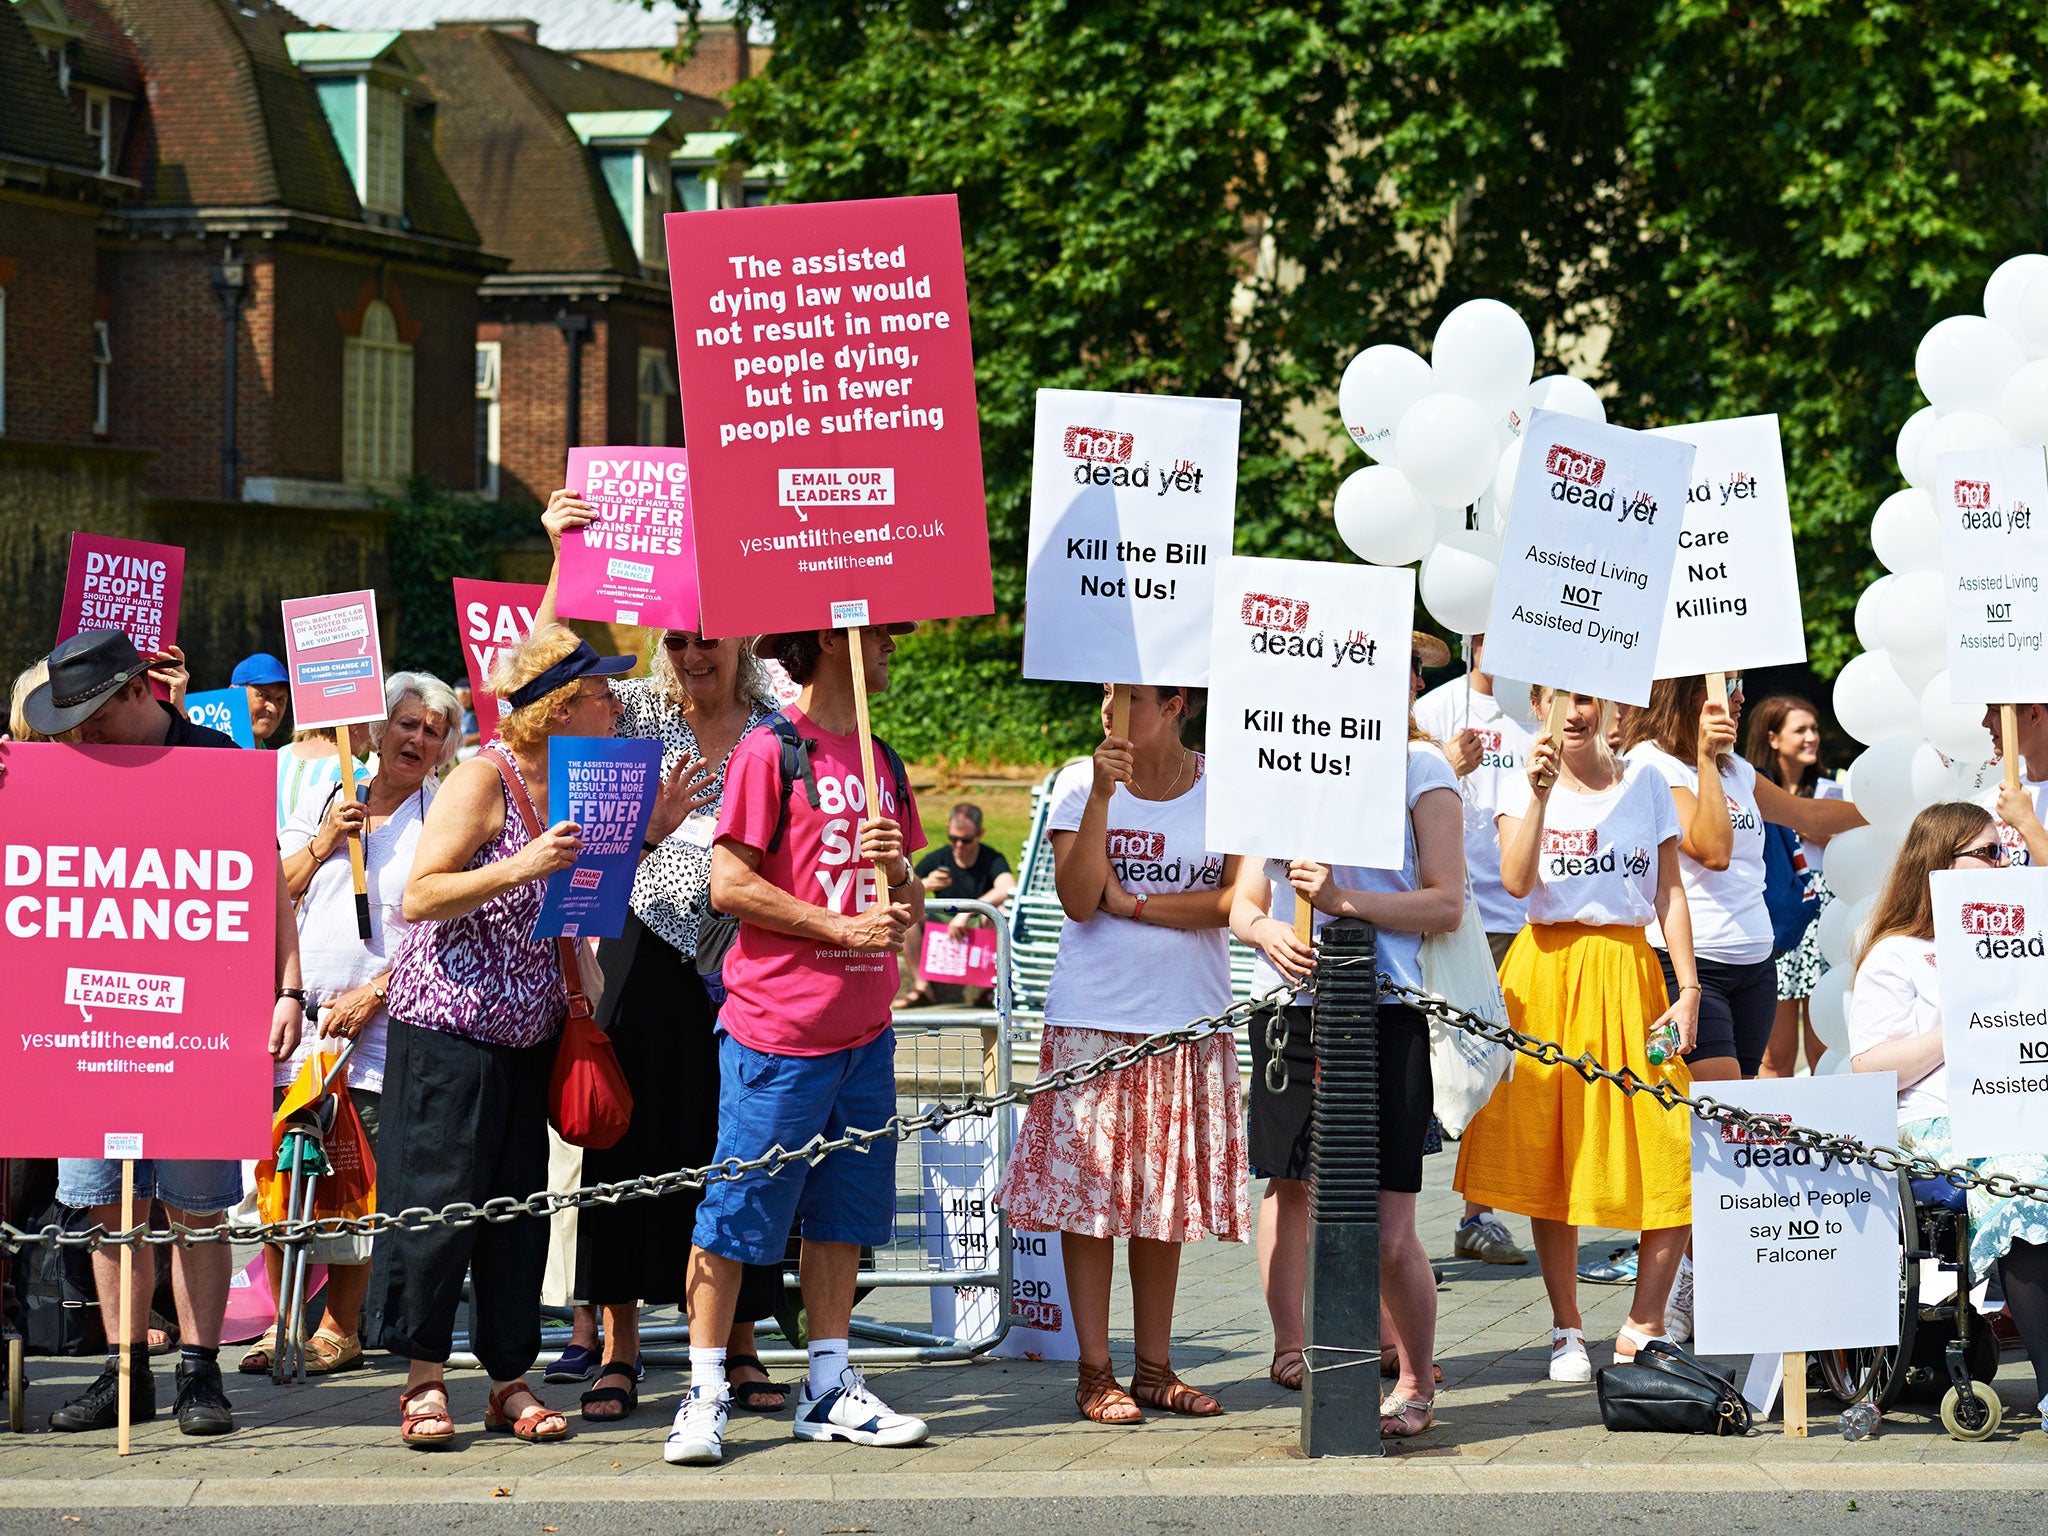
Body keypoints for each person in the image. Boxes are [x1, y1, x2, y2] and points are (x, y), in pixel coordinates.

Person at [363, 625, 695, 1450]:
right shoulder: (484, 777)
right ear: (559, 706)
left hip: (533, 1031)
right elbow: (421, 894)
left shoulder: (590, 784)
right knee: (439, 1208)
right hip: (449, 1028)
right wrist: (521, 865)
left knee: (518, 1216)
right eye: (601, 692)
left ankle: (507, 1379)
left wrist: (644, 834)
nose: (617, 703)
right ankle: (423, 1382)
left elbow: (583, 894)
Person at [531, 487, 788, 1422]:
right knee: (627, 1145)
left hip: (750, 954)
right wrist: (565, 553)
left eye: (709, 639)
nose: (693, 656)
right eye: (677, 641)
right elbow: (542, 673)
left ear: (742, 640)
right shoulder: (632, 709)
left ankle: (744, 1343)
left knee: (739, 1147)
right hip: (642, 945)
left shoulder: (777, 719)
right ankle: (622, 1346)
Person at [21, 630, 304, 1436]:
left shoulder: (216, 760)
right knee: (108, 1206)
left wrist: (288, 990)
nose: (79, 737)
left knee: (197, 1206)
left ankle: (198, 1374)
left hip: (197, 1018)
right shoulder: (62, 768)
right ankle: (125, 1375)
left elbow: (266, 885)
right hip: (89, 1017)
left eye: (89, 717)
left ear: (137, 694)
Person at [667, 622, 928, 1467]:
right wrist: (840, 928)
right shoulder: (768, 751)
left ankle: (827, 1385)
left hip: (866, 1033)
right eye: (882, 636)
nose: (892, 650)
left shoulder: (884, 761)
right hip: (778, 1031)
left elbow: (908, 907)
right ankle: (703, 1392)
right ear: (832, 642)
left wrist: (898, 876)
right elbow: (729, 881)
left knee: (842, 1220)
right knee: (735, 1217)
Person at [991, 683, 1245, 1430]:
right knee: (1091, 1203)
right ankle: (1095, 1371)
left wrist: (1132, 904)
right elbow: (1077, 898)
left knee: (1162, 1202)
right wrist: (1102, 797)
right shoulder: (1079, 780)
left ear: (1173, 706)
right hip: (1092, 1020)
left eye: (1128, 695)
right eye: (1104, 692)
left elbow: (1232, 900)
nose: (1108, 708)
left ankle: (1156, 1368)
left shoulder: (1222, 784)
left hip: (1186, 1018)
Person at [1231, 641, 1464, 1438]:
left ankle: (1416, 1380)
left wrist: (1344, 900)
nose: (1406, 678)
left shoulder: (1421, 769)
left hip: (1385, 1009)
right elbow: (1241, 901)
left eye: (1411, 667)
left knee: (1390, 1225)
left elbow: (1446, 904)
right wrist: (1267, 932)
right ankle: (1296, 1349)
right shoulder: (1283, 760)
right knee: (1286, 1183)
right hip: (1286, 1012)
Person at [1454, 689, 1700, 1381]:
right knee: (1550, 1151)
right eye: (1562, 697)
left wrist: (1689, 989)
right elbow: (1513, 878)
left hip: (1630, 976)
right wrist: (1536, 798)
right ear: (1538, 700)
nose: (1576, 712)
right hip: (1546, 977)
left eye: (1589, 697)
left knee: (1671, 1144)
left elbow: (1669, 893)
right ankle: (1567, 1328)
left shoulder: (1647, 780)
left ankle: (1643, 1324)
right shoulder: (1516, 775)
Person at [240, 673, 463, 1378]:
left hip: (376, 1024)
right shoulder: (325, 796)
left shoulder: (438, 820)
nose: (417, 739)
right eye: (406, 723)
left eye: (432, 730)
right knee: (282, 1168)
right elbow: (269, 889)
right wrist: (323, 844)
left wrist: (376, 994)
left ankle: (341, 1325)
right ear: (378, 728)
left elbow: (438, 933)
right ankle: (282, 1323)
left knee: (351, 1170)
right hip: (298, 1013)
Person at [1848, 800, 2048, 1430]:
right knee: (2024, 1180)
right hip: (1939, 1125)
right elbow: (1871, 1070)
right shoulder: (1897, 955)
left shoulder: (2023, 946)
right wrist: (1959, 1026)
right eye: (1988, 852)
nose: (2003, 861)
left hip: (2019, 1108)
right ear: (1940, 862)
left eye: (2004, 850)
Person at [1413, 632, 1532, 1267]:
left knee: (1505, 1073)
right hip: (1460, 916)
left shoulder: (1540, 708)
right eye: (1481, 629)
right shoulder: (1435, 710)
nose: (1493, 641)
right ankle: (1413, 1226)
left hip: (1531, 913)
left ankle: (1477, 1213)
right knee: (1452, 1061)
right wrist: (1446, 763)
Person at [1744, 695, 1844, 1077]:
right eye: (1799, 729)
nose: (1811, 737)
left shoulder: (1833, 788)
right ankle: (1776, 1133)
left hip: (1826, 916)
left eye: (1814, 728)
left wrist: (1825, 832)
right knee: (1774, 1055)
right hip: (1778, 913)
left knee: (1825, 1049)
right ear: (1772, 738)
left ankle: (1829, 1134)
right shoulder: (1751, 786)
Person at [901, 802, 1016, 1008]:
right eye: (953, 839)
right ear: (947, 830)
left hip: (976, 923)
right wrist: (926, 884)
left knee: (1000, 914)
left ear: (980, 834)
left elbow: (1008, 886)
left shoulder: (991, 859)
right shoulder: (939, 857)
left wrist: (969, 910)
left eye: (966, 840)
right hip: (943, 926)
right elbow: (904, 889)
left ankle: (986, 991)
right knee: (907, 913)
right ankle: (921, 988)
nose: (959, 846)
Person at [1979, 702, 2048, 867]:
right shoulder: (1998, 798)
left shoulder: (2010, 799)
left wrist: (2025, 821)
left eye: (1996, 710)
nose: (1985, 721)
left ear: (2034, 714)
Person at [233, 654, 291, 747]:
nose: (273, 709)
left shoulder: (279, 759)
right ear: (234, 694)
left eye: (280, 699)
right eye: (263, 695)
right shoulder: (205, 747)